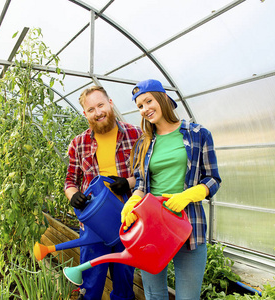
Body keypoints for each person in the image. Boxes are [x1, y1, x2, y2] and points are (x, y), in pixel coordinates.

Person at [121, 79, 221, 300]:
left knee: (188, 297)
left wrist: (189, 195)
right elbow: (141, 185)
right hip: (151, 227)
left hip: (188, 225)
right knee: (155, 295)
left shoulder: (198, 134)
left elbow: (213, 179)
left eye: (149, 101)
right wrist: (132, 203)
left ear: (164, 98)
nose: (145, 109)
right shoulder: (144, 143)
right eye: (140, 106)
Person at [64, 85, 142, 300]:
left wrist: (129, 182)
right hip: (94, 228)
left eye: (100, 105)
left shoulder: (136, 134)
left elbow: (150, 174)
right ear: (85, 114)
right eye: (91, 109)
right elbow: (70, 181)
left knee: (124, 287)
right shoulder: (78, 144)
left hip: (128, 223)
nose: (98, 112)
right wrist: (74, 196)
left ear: (110, 103)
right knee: (90, 287)